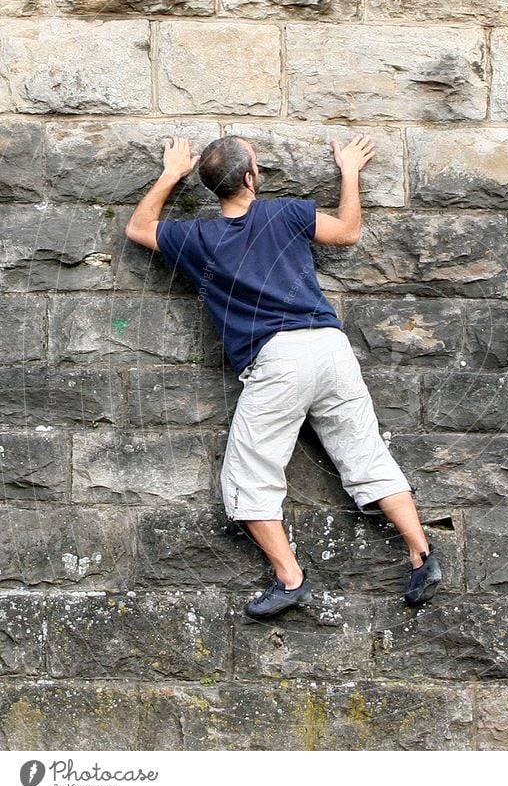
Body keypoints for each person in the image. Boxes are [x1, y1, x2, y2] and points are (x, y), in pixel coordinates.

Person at [124, 133, 442, 620]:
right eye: (259, 166)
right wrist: (350, 172)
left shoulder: (198, 239)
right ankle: (421, 554)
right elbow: (348, 231)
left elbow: (138, 228)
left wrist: (171, 174)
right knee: (365, 453)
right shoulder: (286, 214)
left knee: (247, 477)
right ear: (251, 179)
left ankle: (290, 579)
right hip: (331, 347)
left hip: (277, 361)